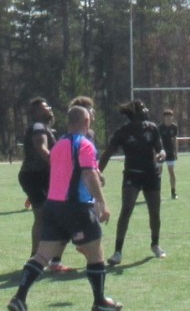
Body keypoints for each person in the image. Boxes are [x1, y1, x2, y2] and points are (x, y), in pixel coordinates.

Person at [6, 106, 122, 311]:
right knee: (96, 253)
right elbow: (88, 174)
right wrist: (102, 202)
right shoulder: (85, 144)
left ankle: (19, 298)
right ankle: (100, 301)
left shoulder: (58, 145)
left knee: (41, 256)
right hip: (76, 207)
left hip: (52, 206)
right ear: (86, 123)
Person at [99, 100, 167, 266]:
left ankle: (155, 244)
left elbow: (161, 149)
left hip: (151, 174)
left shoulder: (152, 128)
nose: (147, 109)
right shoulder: (123, 131)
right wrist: (97, 171)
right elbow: (108, 153)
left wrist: (162, 156)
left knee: (154, 212)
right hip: (132, 175)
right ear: (135, 112)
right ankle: (117, 252)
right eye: (143, 107)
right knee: (126, 209)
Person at [17, 97, 74, 272]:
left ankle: (43, 258)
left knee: (47, 217)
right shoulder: (38, 127)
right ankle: (36, 258)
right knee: (42, 217)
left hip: (39, 177)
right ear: (36, 113)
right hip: (35, 176)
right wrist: (61, 167)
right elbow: (42, 149)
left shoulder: (45, 128)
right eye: (45, 107)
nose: (49, 108)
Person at [158, 109, 179, 199]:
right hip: (161, 153)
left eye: (170, 116)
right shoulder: (160, 127)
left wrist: (176, 152)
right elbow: (157, 141)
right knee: (159, 173)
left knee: (171, 172)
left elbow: (175, 140)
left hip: (170, 152)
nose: (169, 118)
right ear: (164, 118)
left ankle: (173, 192)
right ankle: (157, 193)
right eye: (167, 116)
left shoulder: (174, 127)